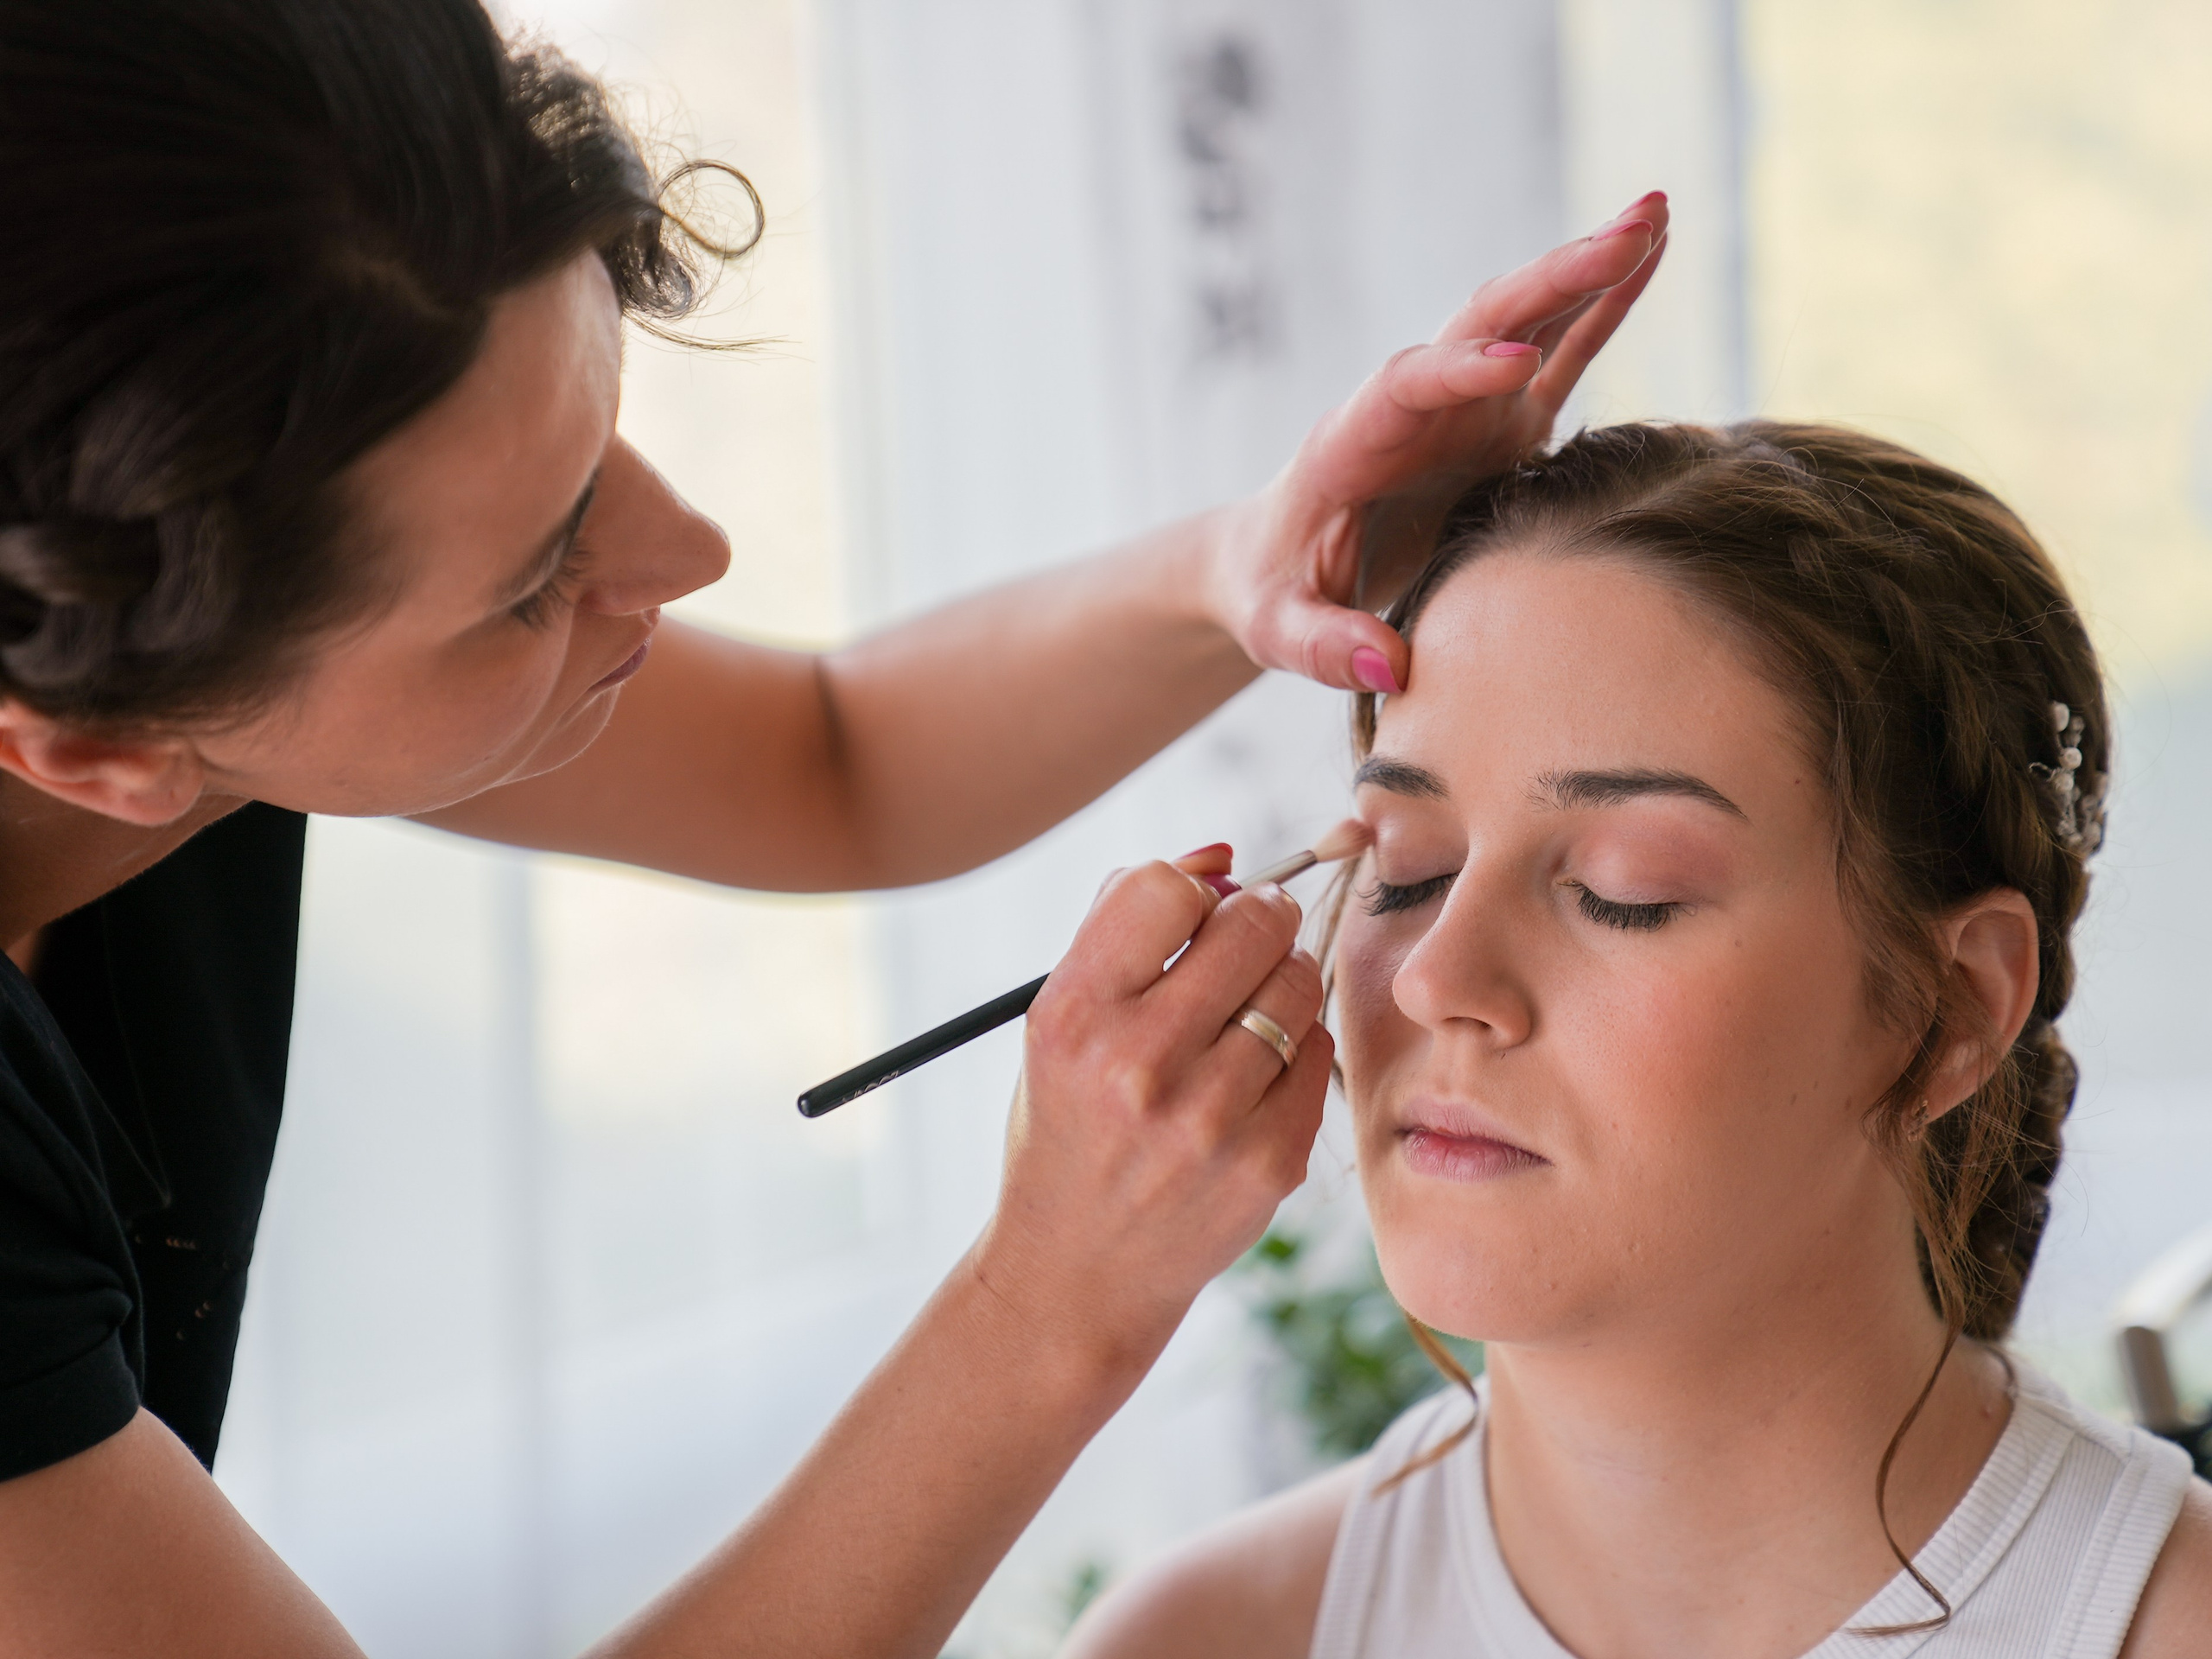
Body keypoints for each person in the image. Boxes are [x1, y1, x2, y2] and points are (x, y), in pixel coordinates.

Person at [0, 3, 1672, 1653]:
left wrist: (1250, 558)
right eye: (531, 581)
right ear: (98, 746)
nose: (694, 548)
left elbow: (831, 761)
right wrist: (1056, 1298)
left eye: (604, 439)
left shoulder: (191, 647)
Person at [1063, 422, 2212, 1659]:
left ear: (1951, 1011)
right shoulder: (1204, 1640)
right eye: (1409, 869)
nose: (1436, 979)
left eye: (1624, 890)